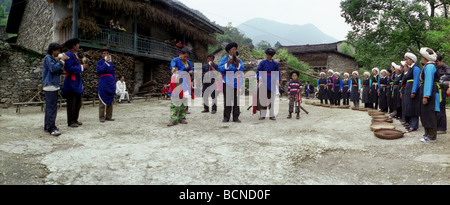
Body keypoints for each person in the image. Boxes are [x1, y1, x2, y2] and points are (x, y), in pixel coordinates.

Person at [43, 43, 69, 136]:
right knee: (52, 108)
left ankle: (47, 126)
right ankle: (52, 128)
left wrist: (63, 65)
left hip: (52, 86)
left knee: (49, 108)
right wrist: (61, 61)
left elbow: (56, 71)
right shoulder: (48, 58)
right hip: (50, 86)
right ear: (52, 50)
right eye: (58, 50)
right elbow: (53, 69)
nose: (59, 52)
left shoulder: (52, 59)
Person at [61, 38, 88, 128]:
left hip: (76, 80)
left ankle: (75, 119)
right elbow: (68, 68)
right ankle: (71, 121)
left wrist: (82, 67)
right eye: (77, 44)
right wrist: (81, 67)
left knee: (78, 102)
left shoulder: (75, 55)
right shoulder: (68, 55)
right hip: (71, 81)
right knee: (71, 102)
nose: (78, 46)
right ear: (73, 45)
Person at [219, 42, 245, 123]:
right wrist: (228, 63)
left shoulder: (239, 59)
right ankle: (226, 117)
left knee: (236, 100)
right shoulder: (224, 59)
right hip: (226, 81)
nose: (234, 51)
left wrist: (237, 63)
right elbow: (220, 68)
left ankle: (236, 117)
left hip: (236, 81)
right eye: (233, 49)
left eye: (235, 49)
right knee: (227, 99)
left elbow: (242, 69)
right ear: (229, 50)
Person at [167, 48, 194, 126]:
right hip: (177, 81)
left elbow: (191, 69)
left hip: (185, 82)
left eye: (187, 57)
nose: (186, 58)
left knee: (184, 100)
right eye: (185, 56)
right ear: (181, 54)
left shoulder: (188, 62)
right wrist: (175, 70)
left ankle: (182, 117)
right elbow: (173, 68)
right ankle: (173, 119)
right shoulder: (175, 60)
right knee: (175, 99)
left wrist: (191, 71)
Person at [419, 47, 440, 142]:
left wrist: (426, 96)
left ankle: (432, 136)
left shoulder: (430, 66)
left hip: (430, 92)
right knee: (425, 113)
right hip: (429, 91)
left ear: (424, 57)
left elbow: (428, 81)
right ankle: (427, 134)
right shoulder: (428, 65)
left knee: (430, 114)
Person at [256, 48, 280, 120]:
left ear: (272, 56)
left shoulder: (275, 63)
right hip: (264, 82)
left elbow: (277, 73)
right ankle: (262, 115)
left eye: (269, 55)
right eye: (267, 55)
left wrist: (277, 80)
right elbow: (258, 71)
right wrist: (259, 77)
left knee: (272, 99)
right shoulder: (262, 63)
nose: (268, 56)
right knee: (263, 99)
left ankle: (272, 115)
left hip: (272, 82)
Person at [402, 52, 421, 132]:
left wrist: (413, 91)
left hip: (412, 88)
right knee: (408, 106)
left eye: (407, 59)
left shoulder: (416, 68)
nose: (406, 61)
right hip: (408, 88)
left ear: (411, 60)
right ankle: (410, 123)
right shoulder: (410, 69)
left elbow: (416, 80)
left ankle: (414, 125)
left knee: (413, 107)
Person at [97, 47, 116, 123]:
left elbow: (113, 73)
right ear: (102, 55)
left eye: (107, 53)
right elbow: (100, 71)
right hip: (103, 83)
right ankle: (101, 116)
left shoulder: (111, 64)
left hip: (110, 83)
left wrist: (114, 83)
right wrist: (105, 62)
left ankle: (108, 116)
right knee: (102, 99)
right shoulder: (100, 63)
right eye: (104, 53)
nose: (106, 54)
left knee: (110, 99)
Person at [436, 54, 448, 134]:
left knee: (441, 108)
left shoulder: (446, 68)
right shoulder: (436, 68)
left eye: (437, 62)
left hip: (443, 90)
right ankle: (437, 126)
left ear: (441, 61)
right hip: (437, 89)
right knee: (437, 108)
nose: (436, 63)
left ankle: (442, 128)